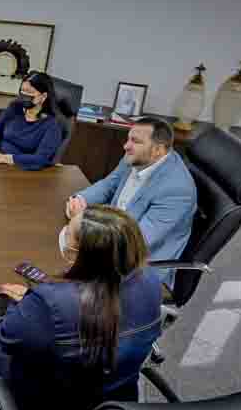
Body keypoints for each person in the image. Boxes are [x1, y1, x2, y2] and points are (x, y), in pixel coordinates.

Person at [0, 205, 162, 410]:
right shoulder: (151, 280)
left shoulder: (50, 302)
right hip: (118, 403)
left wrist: (26, 303)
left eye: (68, 233)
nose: (63, 233)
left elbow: (7, 335)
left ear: (79, 255)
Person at [66, 116, 197, 286]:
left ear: (158, 150)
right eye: (128, 138)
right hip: (109, 237)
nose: (126, 146)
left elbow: (136, 241)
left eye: (135, 141)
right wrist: (81, 199)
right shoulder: (137, 156)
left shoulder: (177, 190)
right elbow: (109, 184)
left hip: (136, 265)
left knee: (59, 281)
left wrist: (85, 224)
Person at [0, 71, 63, 171]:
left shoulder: (52, 125)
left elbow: (40, 159)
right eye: (22, 91)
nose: (24, 95)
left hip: (17, 167)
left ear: (43, 97)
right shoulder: (14, 107)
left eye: (29, 92)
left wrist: (5, 159)